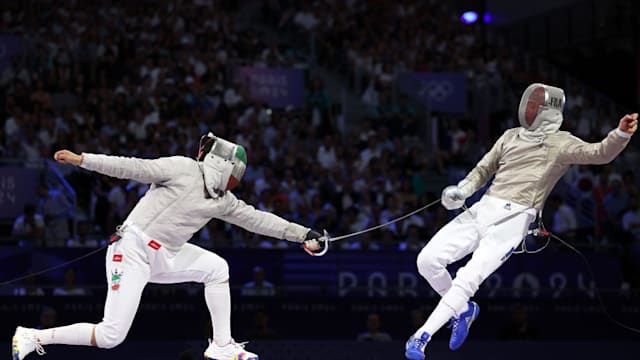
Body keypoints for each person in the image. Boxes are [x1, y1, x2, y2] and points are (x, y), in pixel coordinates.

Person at [12, 132, 325, 360]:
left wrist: (303, 234)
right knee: (111, 336)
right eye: (234, 175)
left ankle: (221, 345)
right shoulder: (183, 168)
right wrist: (83, 160)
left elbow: (258, 220)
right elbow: (133, 167)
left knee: (217, 269)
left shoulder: (223, 201)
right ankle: (33, 336)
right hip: (131, 250)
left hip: (165, 255)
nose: (235, 181)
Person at [405, 83, 637, 360]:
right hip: (483, 208)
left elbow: (600, 153)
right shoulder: (510, 136)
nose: (528, 108)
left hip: (515, 218)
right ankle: (464, 310)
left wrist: (620, 133)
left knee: (468, 277)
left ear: (547, 110)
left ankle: (422, 336)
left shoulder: (561, 142)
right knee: (427, 260)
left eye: (535, 105)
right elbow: (483, 169)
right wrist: (463, 190)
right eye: (528, 103)